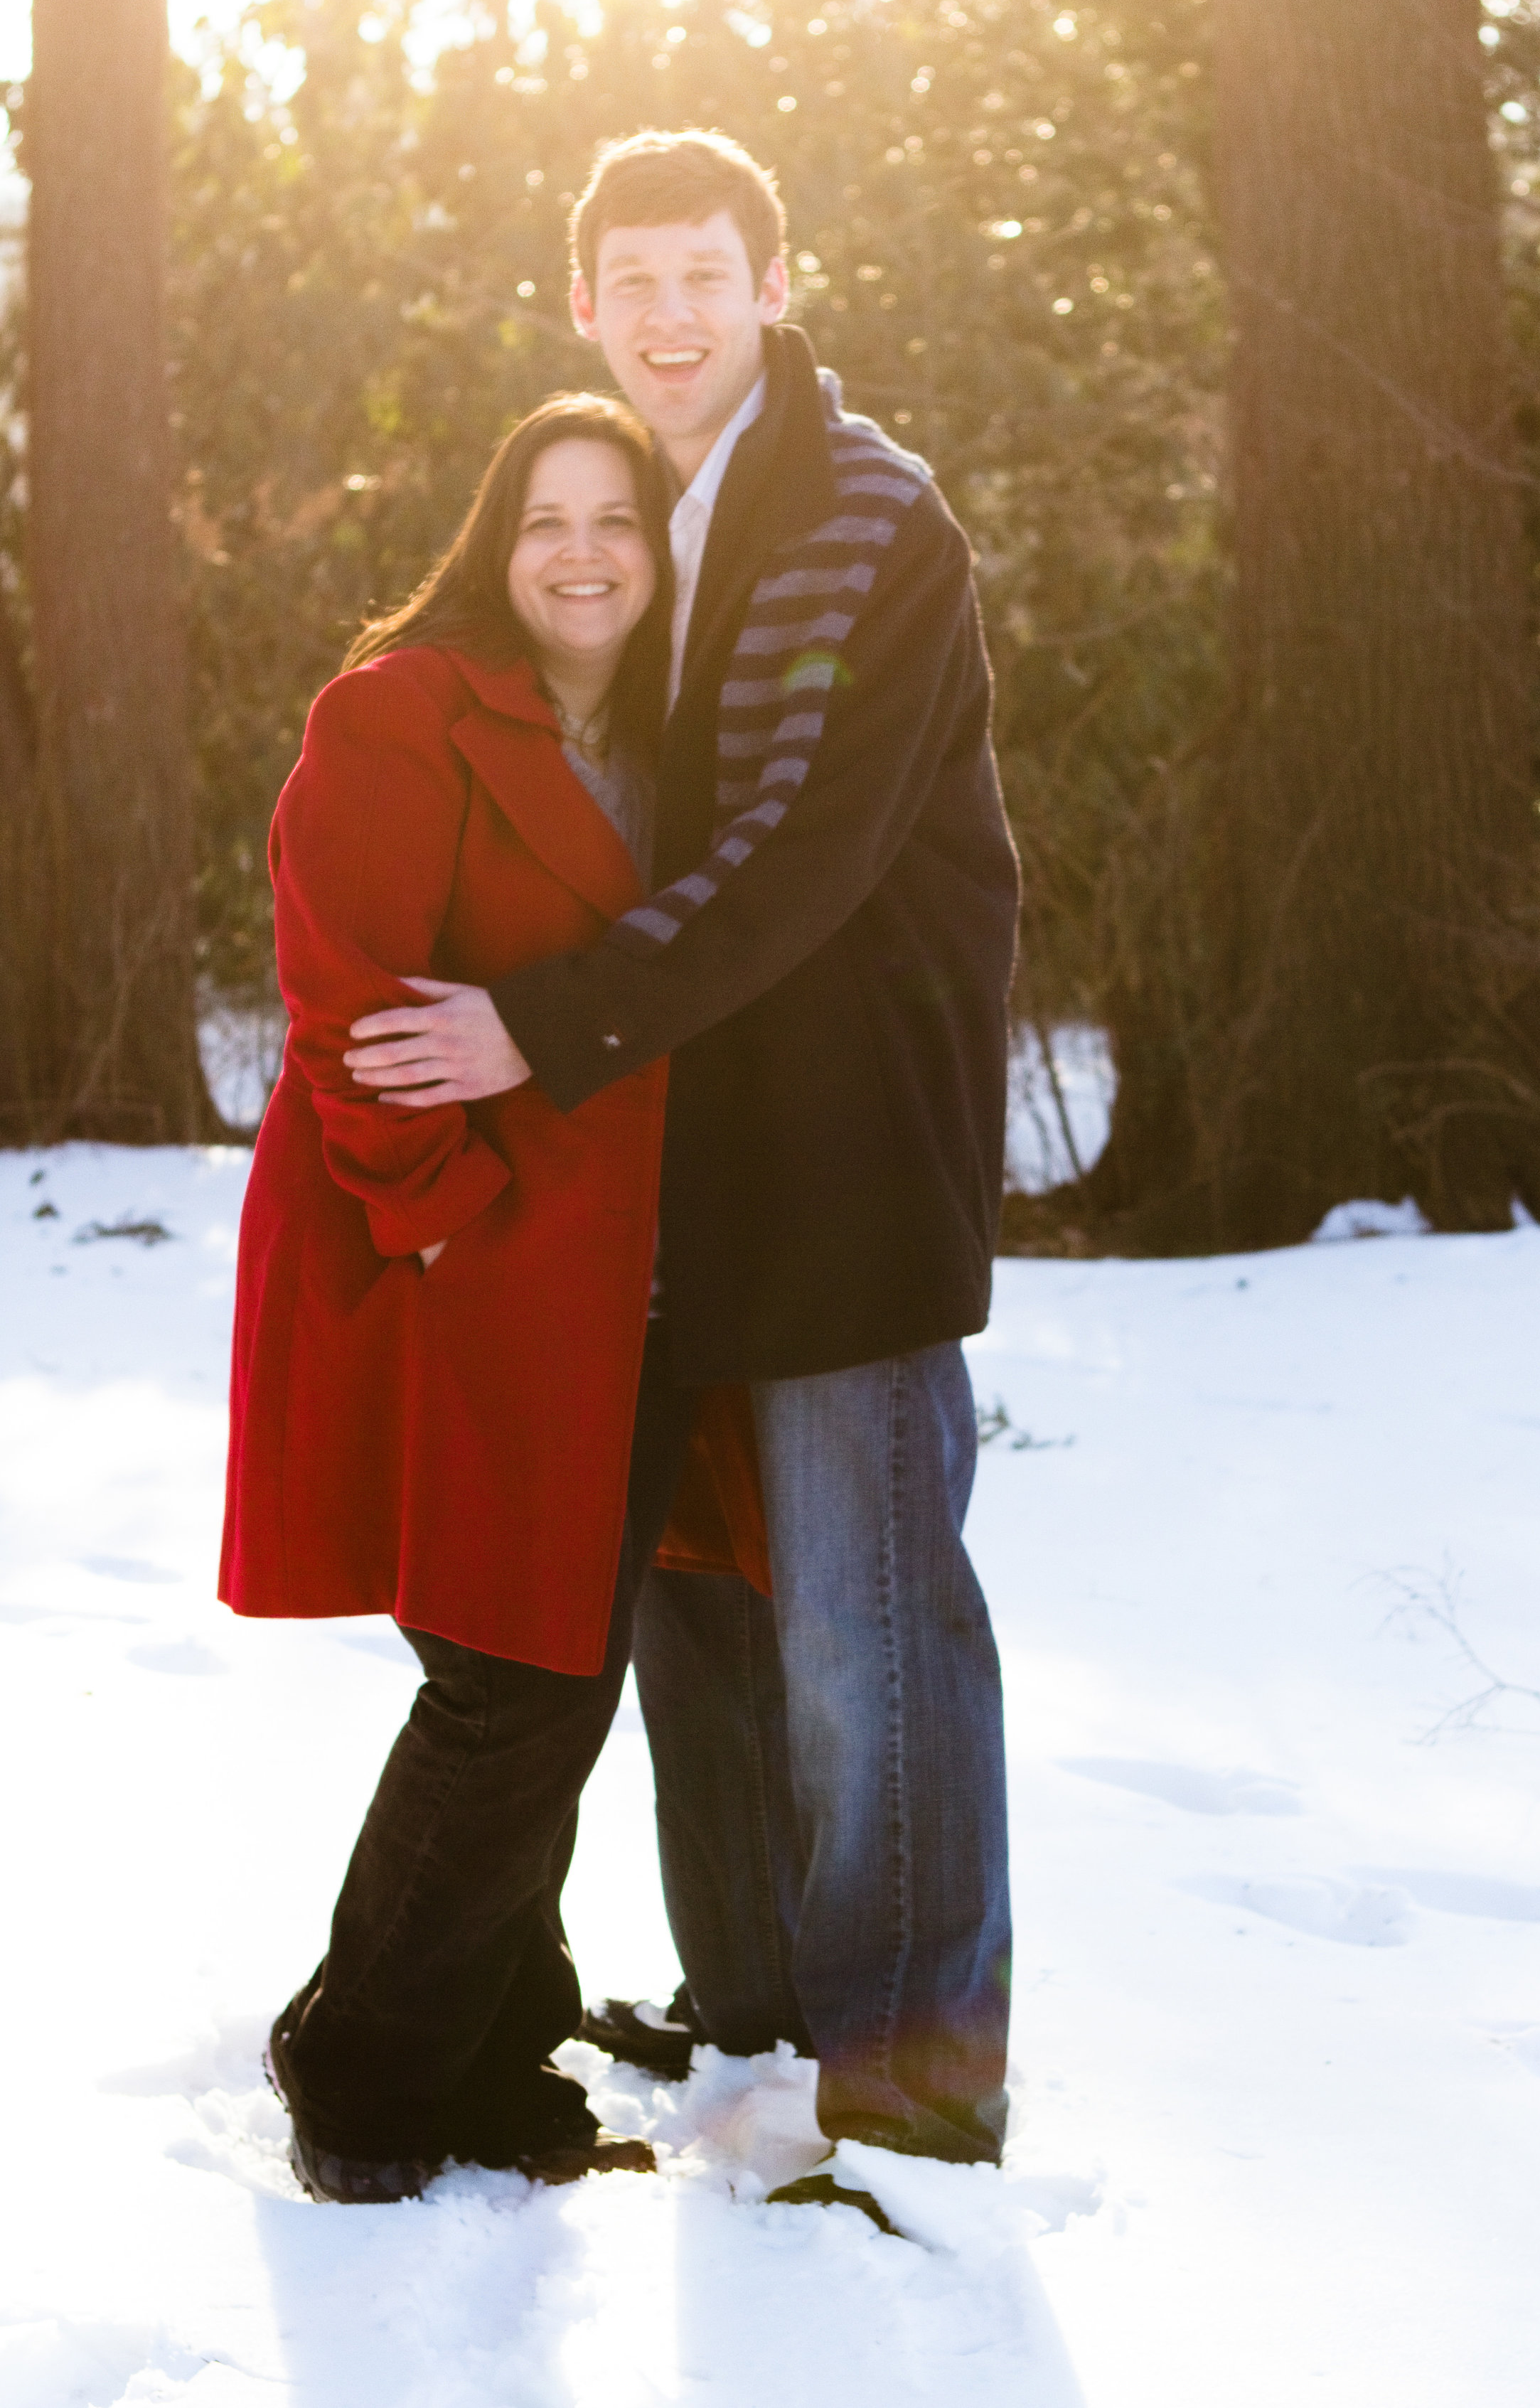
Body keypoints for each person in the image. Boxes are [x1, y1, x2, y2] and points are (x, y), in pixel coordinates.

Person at [342, 129, 1022, 2205]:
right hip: (657, 1159)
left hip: (837, 1159)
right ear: (581, 303)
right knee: (696, 1610)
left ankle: (910, 2072)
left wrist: (534, 1025)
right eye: (631, 276)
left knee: (862, 1613)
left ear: (772, 279)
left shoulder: (864, 519)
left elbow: (795, 851)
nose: (667, 311)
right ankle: (752, 2010)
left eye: (702, 273)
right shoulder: (628, 512)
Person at [220, 391, 762, 2203]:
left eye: (620, 519)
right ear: (494, 539)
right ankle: (363, 2058)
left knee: (560, 1665)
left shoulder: (684, 741)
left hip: (624, 1281)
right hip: (456, 1261)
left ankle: (491, 2046)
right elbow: (344, 1000)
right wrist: (444, 1221)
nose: (586, 551)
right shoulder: (400, 713)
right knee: (507, 1675)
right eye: (548, 520)